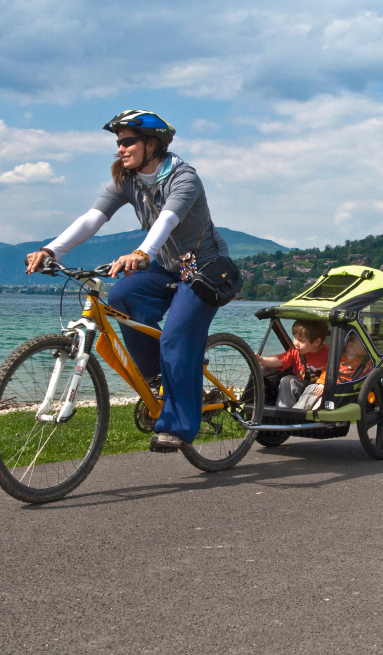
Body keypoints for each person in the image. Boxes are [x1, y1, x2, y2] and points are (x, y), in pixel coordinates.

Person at [25, 109, 230, 450]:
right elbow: (93, 217)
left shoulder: (184, 178)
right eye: (118, 143)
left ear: (152, 144)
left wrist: (141, 253)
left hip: (204, 270)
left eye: (127, 141)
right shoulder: (128, 179)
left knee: (176, 338)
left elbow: (167, 221)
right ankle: (159, 378)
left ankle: (177, 427)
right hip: (165, 268)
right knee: (121, 298)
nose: (120, 149)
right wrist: (52, 250)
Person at [255, 320, 329, 407]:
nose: (295, 343)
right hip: (301, 385)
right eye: (295, 338)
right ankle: (282, 409)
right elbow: (280, 359)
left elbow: (333, 372)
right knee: (287, 380)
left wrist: (323, 384)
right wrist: (263, 361)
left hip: (315, 391)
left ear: (316, 342)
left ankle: (297, 412)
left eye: (301, 341)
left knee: (314, 388)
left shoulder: (328, 354)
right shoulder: (296, 351)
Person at [293, 331, 373, 411]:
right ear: (351, 346)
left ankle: (300, 412)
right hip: (330, 384)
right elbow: (327, 369)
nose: (370, 344)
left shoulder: (366, 362)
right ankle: (299, 410)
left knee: (319, 395)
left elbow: (367, 377)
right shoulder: (338, 356)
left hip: (345, 389)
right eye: (365, 341)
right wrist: (322, 382)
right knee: (313, 388)